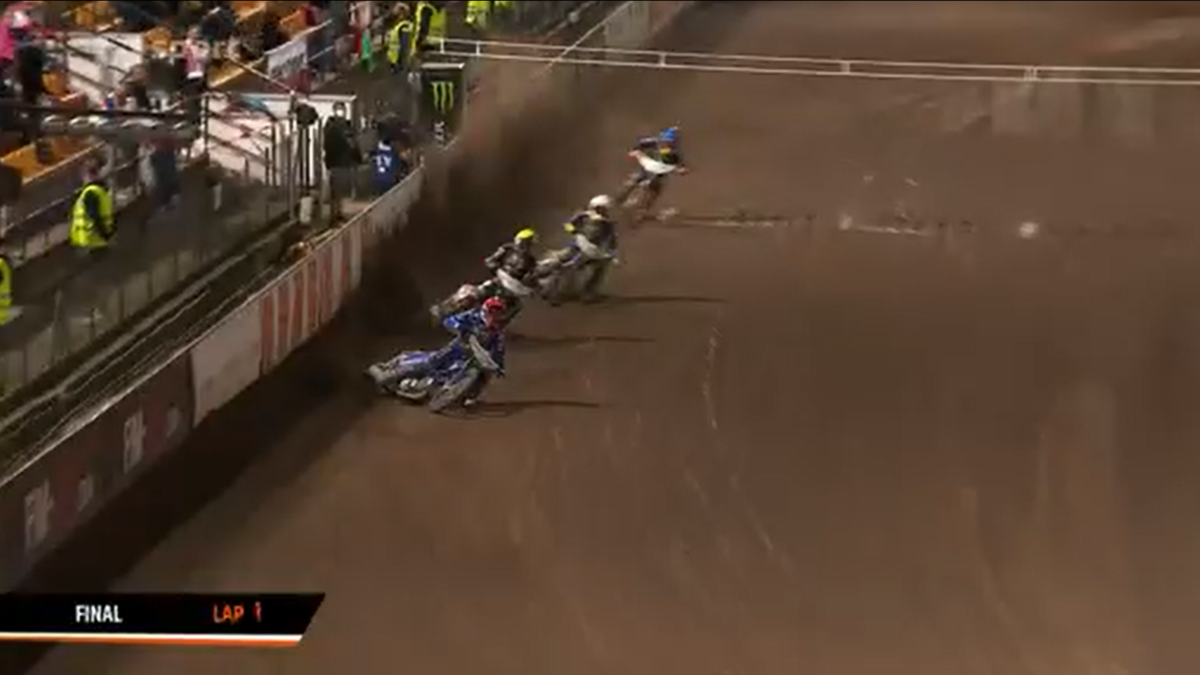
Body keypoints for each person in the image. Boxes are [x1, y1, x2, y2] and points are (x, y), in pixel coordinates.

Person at [378, 295, 508, 407]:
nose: (494, 315)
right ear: (486, 309)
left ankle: (469, 396)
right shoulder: (472, 316)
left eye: (498, 312)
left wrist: (499, 367)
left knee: (485, 375)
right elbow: (449, 320)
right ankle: (391, 374)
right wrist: (459, 327)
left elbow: (499, 350)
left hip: (474, 358)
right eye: (493, 311)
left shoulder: (497, 333)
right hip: (458, 348)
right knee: (432, 362)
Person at [561, 194, 619, 302]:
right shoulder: (585, 216)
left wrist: (613, 253)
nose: (607, 211)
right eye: (605, 209)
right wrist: (575, 232)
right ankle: (579, 292)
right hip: (580, 247)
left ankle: (585, 292)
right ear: (598, 208)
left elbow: (612, 240)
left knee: (599, 266)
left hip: (590, 250)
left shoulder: (605, 222)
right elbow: (567, 225)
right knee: (567, 265)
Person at [624, 125, 688, 211]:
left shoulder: (673, 152)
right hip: (648, 167)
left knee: (655, 190)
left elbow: (679, 163)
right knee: (635, 180)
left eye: (670, 142)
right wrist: (635, 151)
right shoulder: (653, 142)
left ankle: (644, 208)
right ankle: (623, 196)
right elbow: (639, 145)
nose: (667, 144)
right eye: (666, 141)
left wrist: (681, 169)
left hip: (659, 172)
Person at [322, 100, 361, 222]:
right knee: (335, 190)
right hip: (335, 161)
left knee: (342, 190)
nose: (340, 112)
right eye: (338, 110)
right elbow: (327, 144)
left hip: (345, 161)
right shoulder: (330, 126)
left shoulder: (347, 126)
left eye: (342, 110)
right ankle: (334, 214)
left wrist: (357, 157)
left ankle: (338, 213)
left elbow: (354, 143)